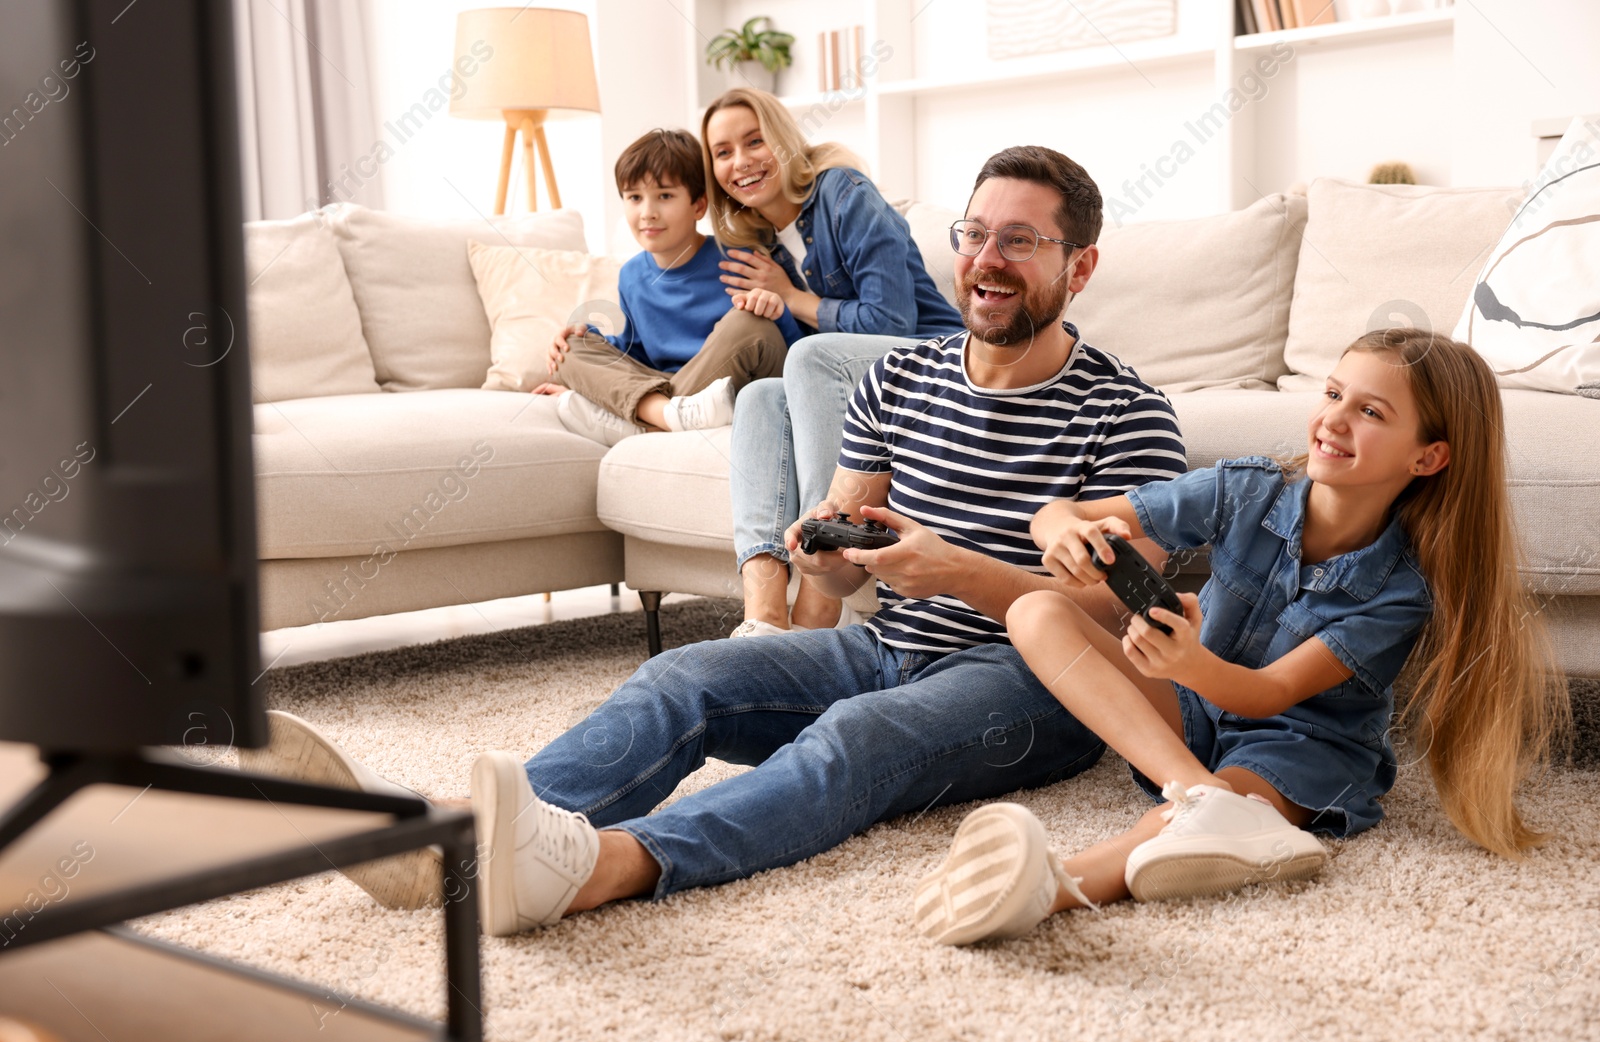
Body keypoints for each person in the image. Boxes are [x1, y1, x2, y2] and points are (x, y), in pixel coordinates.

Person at [242, 146, 1188, 930]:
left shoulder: (1128, 413)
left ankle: (604, 865)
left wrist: (948, 567)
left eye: (1020, 241)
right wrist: (821, 547)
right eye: (975, 234)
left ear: (1080, 264)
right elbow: (838, 537)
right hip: (888, 645)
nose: (987, 259)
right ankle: (455, 837)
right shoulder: (898, 380)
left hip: (1036, 690)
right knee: (679, 677)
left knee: (851, 739)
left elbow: (1120, 614)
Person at [914, 328, 1573, 947]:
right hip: (1197, 712)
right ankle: (1204, 796)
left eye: (1372, 413)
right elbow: (1068, 511)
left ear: (1428, 455)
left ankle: (1052, 886)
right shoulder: (1247, 489)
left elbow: (1271, 692)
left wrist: (1189, 660)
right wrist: (1059, 529)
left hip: (1297, 746)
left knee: (1166, 830)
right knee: (1035, 612)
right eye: (1335, 393)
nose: (1335, 420)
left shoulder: (1400, 589)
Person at [695, 88, 965, 637]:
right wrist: (775, 308)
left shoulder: (845, 192)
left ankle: (823, 594)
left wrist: (793, 298)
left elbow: (892, 321)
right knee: (759, 395)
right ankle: (765, 613)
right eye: (722, 152)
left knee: (810, 356)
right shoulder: (760, 243)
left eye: (754, 140)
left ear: (784, 139)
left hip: (935, 362)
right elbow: (800, 375)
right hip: (861, 378)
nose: (740, 161)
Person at [535, 128, 804, 447]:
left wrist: (776, 309)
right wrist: (587, 341)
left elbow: (789, 349)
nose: (647, 212)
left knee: (749, 322)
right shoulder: (632, 276)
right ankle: (669, 416)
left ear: (698, 206)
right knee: (571, 348)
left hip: (730, 384)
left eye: (664, 196)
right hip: (669, 387)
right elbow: (634, 351)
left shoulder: (739, 261)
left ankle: (646, 422)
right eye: (634, 197)